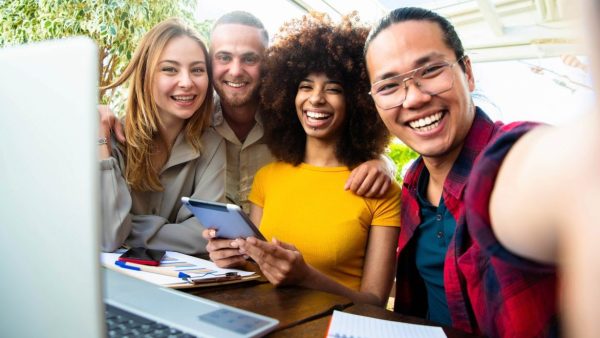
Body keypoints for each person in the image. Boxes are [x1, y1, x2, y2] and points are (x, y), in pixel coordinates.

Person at [364, 5, 600, 337]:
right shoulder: (412, 183)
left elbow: (558, 170)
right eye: (389, 86)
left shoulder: (508, 163)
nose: (414, 98)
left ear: (468, 72)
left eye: (431, 70)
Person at [104, 11, 396, 217]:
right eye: (223, 58)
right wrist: (97, 115)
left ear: (268, 63)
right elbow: (143, 117)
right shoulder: (190, 115)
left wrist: (382, 165)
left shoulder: (294, 117)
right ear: (209, 62)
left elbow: (348, 141)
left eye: (250, 59)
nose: (235, 70)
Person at [205, 13, 401, 307]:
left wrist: (305, 276)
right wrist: (230, 258)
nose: (316, 99)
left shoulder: (380, 190)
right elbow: (257, 271)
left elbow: (373, 302)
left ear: (358, 101)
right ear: (288, 95)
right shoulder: (268, 177)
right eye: (306, 86)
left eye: (333, 89)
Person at [99, 18, 225, 254]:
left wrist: (128, 228)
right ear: (145, 75)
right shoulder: (109, 140)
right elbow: (109, 236)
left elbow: (205, 235)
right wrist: (98, 142)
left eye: (197, 70)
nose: (187, 82)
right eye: (170, 69)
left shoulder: (212, 144)